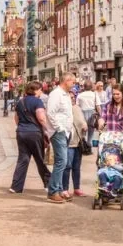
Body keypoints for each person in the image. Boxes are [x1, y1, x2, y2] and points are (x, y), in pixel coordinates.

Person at [9, 81, 51, 193]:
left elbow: (16, 118)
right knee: (40, 159)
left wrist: (22, 127)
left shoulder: (20, 102)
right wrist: (48, 130)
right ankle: (49, 183)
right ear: (36, 90)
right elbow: (41, 118)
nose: (41, 92)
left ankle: (16, 186)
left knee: (23, 159)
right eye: (40, 89)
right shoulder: (38, 102)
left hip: (21, 132)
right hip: (35, 133)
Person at [45, 73, 76, 204]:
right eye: (73, 82)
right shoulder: (56, 94)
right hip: (58, 132)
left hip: (66, 132)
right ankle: (52, 191)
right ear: (66, 81)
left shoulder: (65, 94)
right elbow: (50, 113)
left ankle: (58, 189)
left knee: (61, 161)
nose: (74, 84)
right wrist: (59, 128)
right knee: (61, 161)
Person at [98, 86, 123, 157]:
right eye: (114, 94)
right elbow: (103, 117)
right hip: (110, 140)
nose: (115, 96)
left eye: (118, 94)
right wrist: (100, 122)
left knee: (122, 165)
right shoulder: (108, 105)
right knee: (108, 162)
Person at [62, 93, 88, 198]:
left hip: (79, 141)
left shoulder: (77, 108)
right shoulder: (64, 109)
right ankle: (65, 189)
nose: (72, 99)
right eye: (70, 97)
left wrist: (85, 125)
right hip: (69, 142)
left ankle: (77, 188)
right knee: (67, 166)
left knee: (76, 167)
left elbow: (82, 120)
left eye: (73, 97)